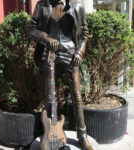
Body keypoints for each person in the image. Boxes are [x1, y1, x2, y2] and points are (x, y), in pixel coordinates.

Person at [30, 0, 93, 149]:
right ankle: (52, 134)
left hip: (71, 55)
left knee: (77, 96)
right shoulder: (42, 5)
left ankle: (82, 136)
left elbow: (84, 32)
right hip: (49, 54)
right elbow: (32, 28)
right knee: (50, 97)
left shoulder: (77, 5)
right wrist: (45, 38)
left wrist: (80, 52)